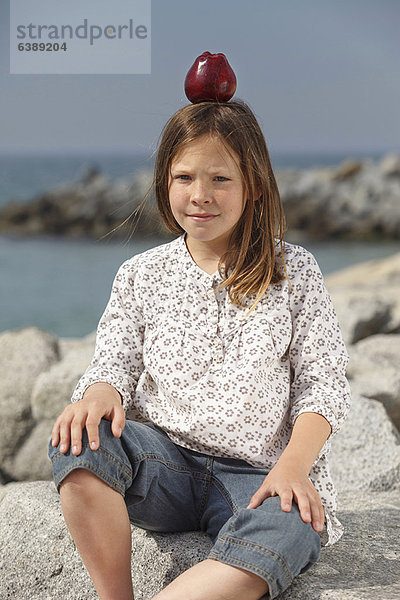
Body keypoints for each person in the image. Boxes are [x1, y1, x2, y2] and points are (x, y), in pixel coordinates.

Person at [48, 98, 351, 600]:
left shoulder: (293, 272)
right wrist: (100, 393)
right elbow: (114, 361)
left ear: (252, 184)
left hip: (256, 474)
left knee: (294, 525)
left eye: (220, 179)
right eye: (184, 177)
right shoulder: (142, 275)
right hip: (162, 466)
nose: (200, 195)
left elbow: (322, 383)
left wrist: (294, 466)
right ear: (165, 182)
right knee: (79, 439)